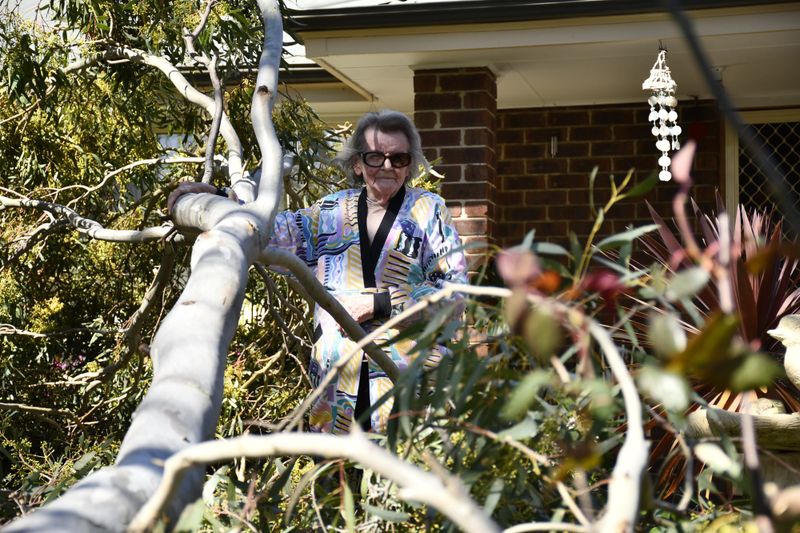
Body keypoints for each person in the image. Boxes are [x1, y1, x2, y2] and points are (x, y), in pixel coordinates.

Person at [169, 110, 468, 434]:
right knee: (333, 481)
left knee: (405, 482)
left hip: (410, 392)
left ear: (409, 165)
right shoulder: (330, 212)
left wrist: (383, 304)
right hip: (336, 394)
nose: (386, 166)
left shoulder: (429, 210)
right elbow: (266, 231)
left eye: (398, 158)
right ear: (356, 163)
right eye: (374, 157)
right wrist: (214, 199)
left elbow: (456, 295)